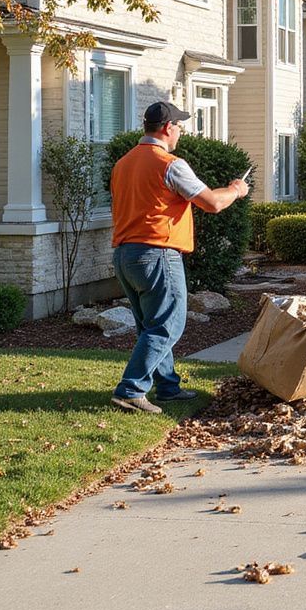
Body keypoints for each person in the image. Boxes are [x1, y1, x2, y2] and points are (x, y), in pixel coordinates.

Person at [109, 100, 250, 414]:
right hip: (157, 253)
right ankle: (130, 390)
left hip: (125, 255)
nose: (181, 133)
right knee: (168, 325)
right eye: (180, 127)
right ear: (166, 128)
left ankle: (168, 388)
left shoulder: (123, 163)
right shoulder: (169, 163)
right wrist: (236, 190)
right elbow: (211, 203)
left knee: (151, 326)